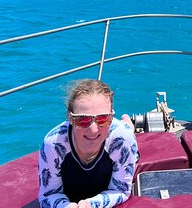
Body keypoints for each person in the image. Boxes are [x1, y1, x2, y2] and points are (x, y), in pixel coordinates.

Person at [38, 79, 138, 208]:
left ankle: (127, 124)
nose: (93, 129)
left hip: (121, 136)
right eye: (83, 120)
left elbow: (121, 190)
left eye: (103, 119)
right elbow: (48, 195)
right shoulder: (53, 144)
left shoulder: (122, 139)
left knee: (129, 134)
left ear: (112, 116)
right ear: (70, 117)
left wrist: (91, 204)